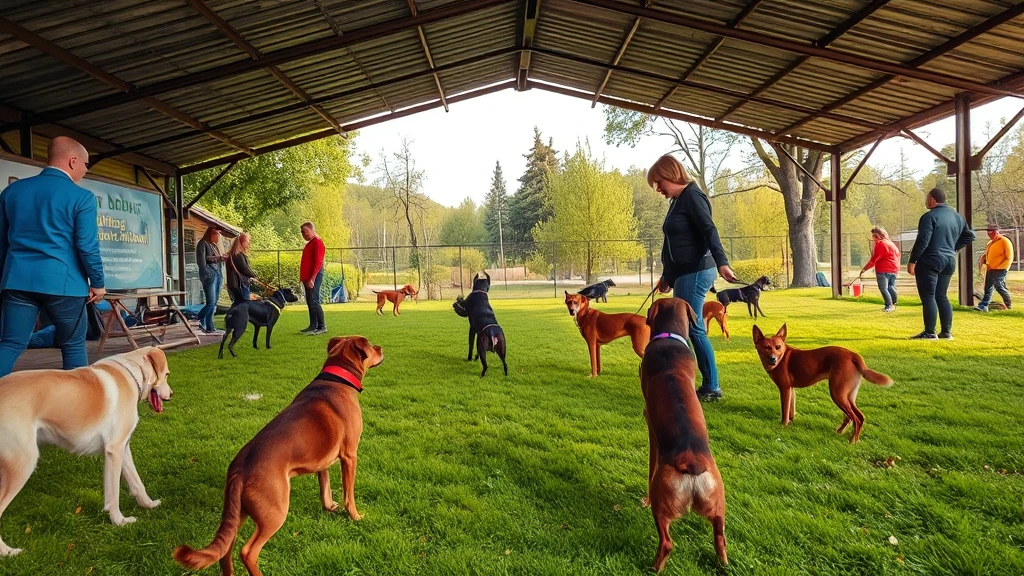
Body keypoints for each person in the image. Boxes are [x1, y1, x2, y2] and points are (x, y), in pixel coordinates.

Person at [0, 136, 105, 376]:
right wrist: (97, 283)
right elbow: (87, 246)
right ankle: (77, 410)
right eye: (86, 164)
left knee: (10, 344)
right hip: (65, 285)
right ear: (72, 161)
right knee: (73, 345)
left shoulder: (12, 191)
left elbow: (1, 242)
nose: (85, 171)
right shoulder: (82, 197)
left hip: (17, 282)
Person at [648, 154, 737, 402]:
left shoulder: (692, 196)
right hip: (683, 273)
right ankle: (690, 381)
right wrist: (667, 275)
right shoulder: (676, 201)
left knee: (692, 328)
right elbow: (673, 244)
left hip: (697, 270)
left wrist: (722, 262)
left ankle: (710, 386)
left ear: (670, 175)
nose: (658, 189)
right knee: (688, 328)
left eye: (658, 183)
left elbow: (709, 230)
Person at [907, 188, 975, 340]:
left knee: (928, 296)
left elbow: (923, 240)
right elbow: (970, 235)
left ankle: (930, 332)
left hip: (930, 259)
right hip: (949, 260)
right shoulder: (957, 217)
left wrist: (912, 260)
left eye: (927, 197)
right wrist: (953, 248)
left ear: (932, 199)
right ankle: (946, 332)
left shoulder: (929, 216)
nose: (926, 200)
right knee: (941, 296)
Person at [858, 226, 901, 312]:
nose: (873, 239)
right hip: (894, 269)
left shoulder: (881, 244)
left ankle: (889, 306)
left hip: (883, 269)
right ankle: (894, 303)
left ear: (877, 235)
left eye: (873, 236)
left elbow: (873, 260)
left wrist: (864, 269)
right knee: (891, 286)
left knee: (883, 288)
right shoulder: (891, 243)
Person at [975, 223, 1013, 312]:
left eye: (991, 232)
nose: (989, 234)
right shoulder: (990, 243)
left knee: (999, 286)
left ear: (996, 231)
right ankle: (984, 305)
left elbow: (1009, 256)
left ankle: (1008, 304)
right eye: (988, 232)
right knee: (988, 287)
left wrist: (1003, 267)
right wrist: (983, 260)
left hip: (1001, 269)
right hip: (990, 268)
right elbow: (987, 255)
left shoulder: (1004, 241)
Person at [195, 226, 227, 335]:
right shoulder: (202, 243)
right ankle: (198, 318)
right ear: (211, 234)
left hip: (217, 273)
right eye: (217, 235)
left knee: (214, 301)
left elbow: (215, 258)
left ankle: (210, 326)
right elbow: (201, 261)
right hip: (210, 274)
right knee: (211, 301)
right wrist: (207, 274)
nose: (218, 238)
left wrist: (220, 258)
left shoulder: (213, 245)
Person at [299, 221, 326, 335]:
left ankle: (322, 326)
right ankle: (312, 325)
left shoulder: (317, 242)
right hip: (307, 277)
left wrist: (312, 278)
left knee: (314, 300)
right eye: (302, 232)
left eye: (305, 231)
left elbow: (318, 262)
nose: (303, 234)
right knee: (310, 301)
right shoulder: (310, 243)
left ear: (311, 230)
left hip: (314, 276)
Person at [225, 233, 259, 305]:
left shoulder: (234, 254)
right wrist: (254, 275)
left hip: (236, 284)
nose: (248, 244)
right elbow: (244, 269)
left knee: (238, 304)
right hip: (240, 284)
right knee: (244, 305)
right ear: (242, 242)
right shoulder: (238, 255)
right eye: (247, 241)